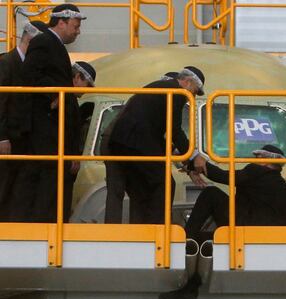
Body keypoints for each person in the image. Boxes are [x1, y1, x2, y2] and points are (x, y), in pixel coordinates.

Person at [159, 145, 286, 299]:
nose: (254, 161)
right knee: (206, 240)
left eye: (257, 158)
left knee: (210, 196)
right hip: (266, 243)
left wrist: (193, 162)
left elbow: (221, 176)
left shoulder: (254, 172)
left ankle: (185, 243)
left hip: (241, 232)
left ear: (265, 161)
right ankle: (190, 287)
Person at [108, 66, 207, 224]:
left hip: (124, 142)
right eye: (194, 92)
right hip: (136, 143)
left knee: (140, 189)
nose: (192, 98)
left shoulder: (161, 87)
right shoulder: (176, 92)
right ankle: (158, 229)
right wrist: (194, 156)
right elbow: (174, 129)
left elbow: (156, 129)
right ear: (188, 82)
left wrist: (187, 164)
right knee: (165, 183)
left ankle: (141, 229)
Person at [18, 4, 87, 223]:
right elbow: (28, 73)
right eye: (75, 26)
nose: (78, 32)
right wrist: (53, 96)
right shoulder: (44, 42)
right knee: (45, 184)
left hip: (52, 130)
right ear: (62, 22)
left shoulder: (54, 46)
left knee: (51, 184)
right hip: (44, 129)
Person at [102, 72, 179, 224]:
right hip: (118, 143)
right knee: (117, 188)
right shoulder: (153, 100)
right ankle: (112, 230)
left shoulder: (150, 99)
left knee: (137, 190)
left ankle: (138, 228)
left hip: (127, 145)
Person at [0, 21, 48, 221]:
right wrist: (2, 138)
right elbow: (1, 103)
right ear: (29, 42)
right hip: (8, 137)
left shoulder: (27, 67)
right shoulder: (6, 63)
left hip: (22, 137)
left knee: (17, 186)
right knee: (4, 184)